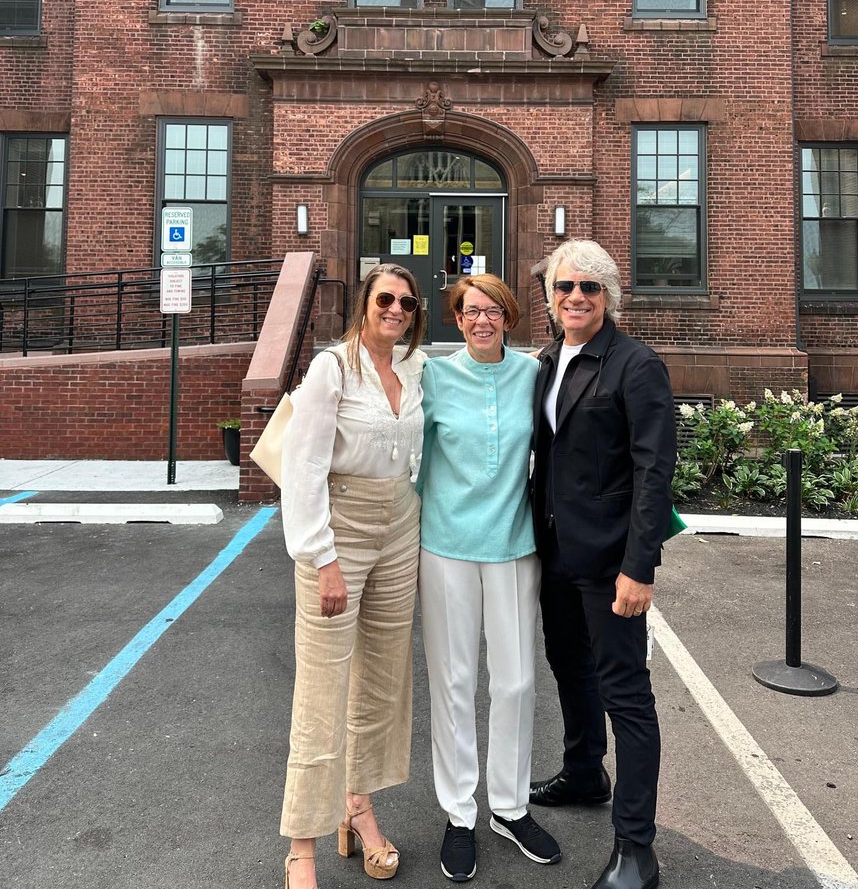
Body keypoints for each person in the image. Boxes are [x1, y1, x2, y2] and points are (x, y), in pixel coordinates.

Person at [528, 240, 676, 889]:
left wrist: (639, 568)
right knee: (569, 667)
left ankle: (636, 850)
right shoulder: (547, 360)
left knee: (627, 695)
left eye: (589, 288)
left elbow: (654, 472)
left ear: (608, 296)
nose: (575, 298)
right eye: (564, 288)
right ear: (551, 298)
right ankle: (586, 770)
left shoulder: (635, 366)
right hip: (554, 551)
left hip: (611, 560)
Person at [278, 264, 427, 889]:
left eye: (407, 302)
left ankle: (358, 809)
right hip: (340, 531)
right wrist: (323, 557)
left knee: (382, 683)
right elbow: (303, 465)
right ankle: (301, 849)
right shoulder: (331, 369)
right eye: (384, 299)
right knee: (321, 689)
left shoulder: (417, 370)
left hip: (402, 529)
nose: (395, 309)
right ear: (363, 305)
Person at [418, 274, 561, 883]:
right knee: (453, 681)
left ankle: (508, 805)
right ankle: (459, 813)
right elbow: (408, 456)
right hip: (446, 546)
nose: (482, 320)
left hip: (514, 546)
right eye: (471, 311)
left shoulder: (532, 375)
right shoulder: (433, 377)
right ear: (457, 319)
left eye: (493, 310)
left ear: (509, 316)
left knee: (518, 681)